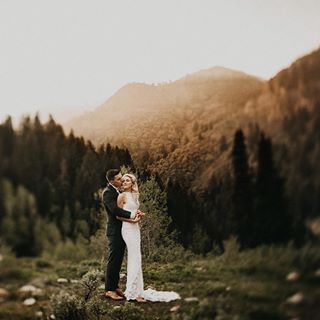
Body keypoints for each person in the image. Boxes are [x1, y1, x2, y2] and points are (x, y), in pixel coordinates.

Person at [116, 173, 180, 302]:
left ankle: (138, 290)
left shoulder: (134, 196)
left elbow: (132, 212)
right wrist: (133, 220)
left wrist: (138, 214)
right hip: (128, 228)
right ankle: (132, 293)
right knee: (134, 258)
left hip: (135, 228)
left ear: (132, 183)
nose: (124, 182)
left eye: (127, 180)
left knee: (137, 257)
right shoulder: (121, 196)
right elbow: (118, 216)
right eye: (123, 181)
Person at [102, 169, 142, 301]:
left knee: (118, 259)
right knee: (113, 259)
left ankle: (115, 286)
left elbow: (125, 206)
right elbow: (115, 210)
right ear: (112, 180)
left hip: (124, 228)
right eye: (119, 179)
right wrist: (132, 215)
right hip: (114, 231)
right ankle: (109, 290)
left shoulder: (118, 191)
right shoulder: (108, 193)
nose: (121, 180)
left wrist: (135, 212)